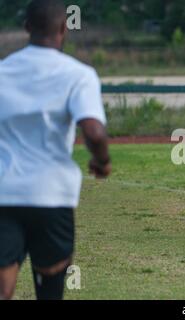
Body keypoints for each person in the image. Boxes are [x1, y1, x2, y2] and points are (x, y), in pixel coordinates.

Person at [0, 0, 111, 300]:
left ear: (26, 28)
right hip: (51, 196)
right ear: (64, 28)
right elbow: (94, 132)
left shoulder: (3, 71)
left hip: (4, 194)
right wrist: (102, 162)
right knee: (49, 290)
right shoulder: (79, 74)